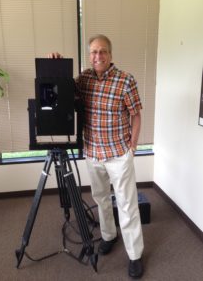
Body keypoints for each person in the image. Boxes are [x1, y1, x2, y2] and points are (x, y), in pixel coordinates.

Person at [48, 34, 144, 279]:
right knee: (101, 198)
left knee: (127, 205)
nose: (97, 56)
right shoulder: (84, 79)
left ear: (110, 55)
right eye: (93, 52)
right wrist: (56, 66)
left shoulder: (125, 80)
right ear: (89, 55)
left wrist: (132, 147)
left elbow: (136, 115)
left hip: (118, 155)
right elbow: (63, 89)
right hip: (93, 153)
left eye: (102, 51)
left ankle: (135, 255)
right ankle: (109, 235)